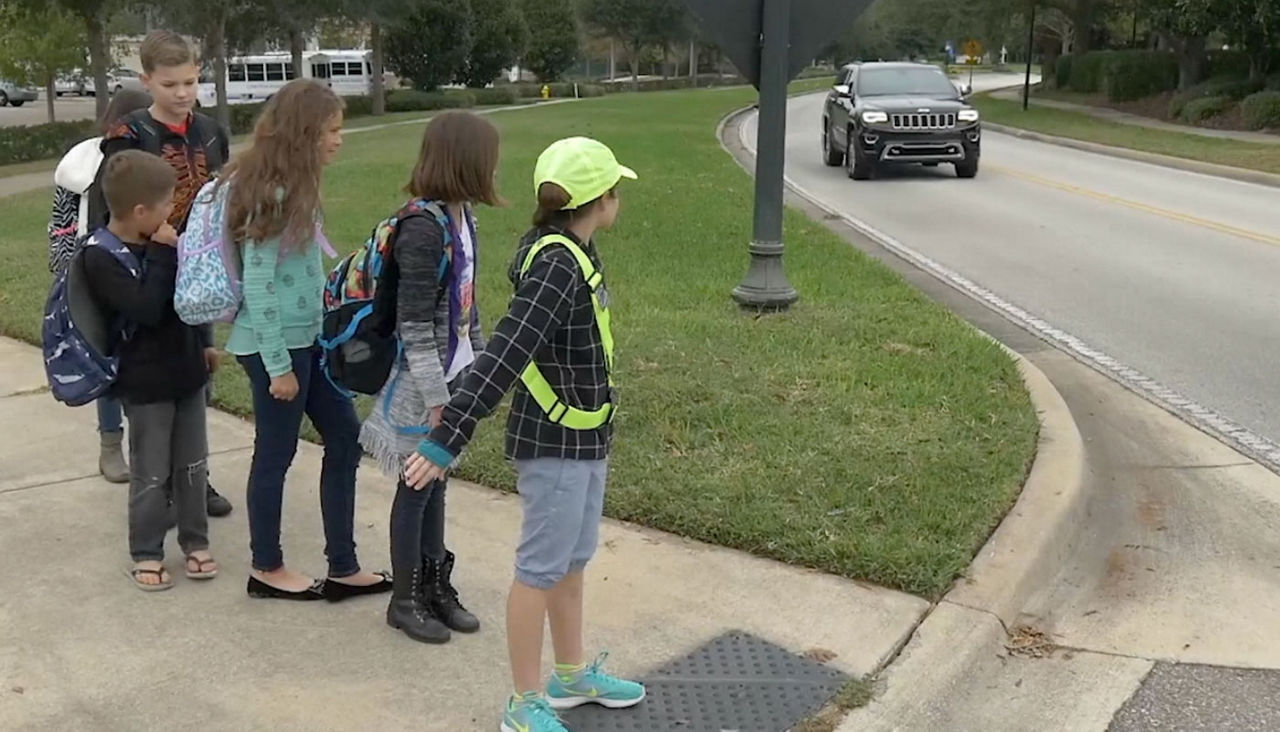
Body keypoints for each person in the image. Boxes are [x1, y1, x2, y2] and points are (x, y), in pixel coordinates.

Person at [403, 137, 645, 732]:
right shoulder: (558, 265)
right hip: (555, 446)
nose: (619, 200)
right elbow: (507, 354)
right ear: (601, 200)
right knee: (540, 569)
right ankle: (524, 701)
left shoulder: (571, 251)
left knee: (571, 560)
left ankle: (569, 675)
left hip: (585, 438)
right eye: (616, 190)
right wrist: (447, 435)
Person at [223, 79, 391, 602]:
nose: (339, 139)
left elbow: (302, 272)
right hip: (272, 346)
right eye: (332, 130)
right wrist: (277, 365)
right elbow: (259, 282)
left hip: (307, 341)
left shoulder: (297, 185)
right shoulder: (272, 192)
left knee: (344, 435)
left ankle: (343, 565)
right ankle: (265, 568)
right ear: (305, 133)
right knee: (275, 452)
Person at [359, 111, 501, 641]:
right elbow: (413, 324)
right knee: (417, 484)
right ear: (465, 162)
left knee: (436, 482)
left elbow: (467, 305)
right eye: (489, 159)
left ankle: (436, 588)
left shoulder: (464, 219)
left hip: (457, 372)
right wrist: (438, 399)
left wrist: (481, 367)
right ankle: (405, 599)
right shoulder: (422, 229)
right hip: (421, 385)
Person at [88, 29, 233, 518]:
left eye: (191, 81)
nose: (183, 93)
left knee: (197, 374)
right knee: (144, 380)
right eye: (171, 84)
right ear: (147, 81)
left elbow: (220, 197)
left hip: (196, 267)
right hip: (140, 268)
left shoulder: (211, 131)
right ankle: (153, 476)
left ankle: (194, 478)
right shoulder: (127, 135)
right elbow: (107, 204)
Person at [83, 150, 218, 591]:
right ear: (140, 210)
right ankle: (146, 550)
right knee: (151, 472)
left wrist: (205, 342)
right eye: (166, 206)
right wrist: (163, 254)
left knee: (193, 465)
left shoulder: (165, 242)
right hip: (144, 384)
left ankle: (195, 541)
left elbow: (189, 298)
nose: (171, 214)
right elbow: (145, 308)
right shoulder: (101, 257)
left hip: (186, 372)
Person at [49, 88, 152, 484]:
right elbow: (61, 221)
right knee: (102, 355)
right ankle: (110, 446)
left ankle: (151, 447)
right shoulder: (82, 160)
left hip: (145, 269)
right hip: (93, 268)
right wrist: (64, 274)